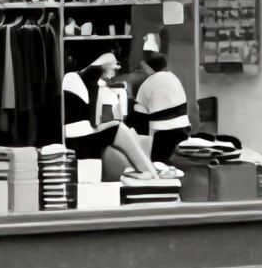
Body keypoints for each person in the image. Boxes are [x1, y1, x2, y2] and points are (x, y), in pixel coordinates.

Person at [62, 52, 179, 180]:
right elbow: (81, 126)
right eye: (114, 64)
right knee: (119, 129)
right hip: (74, 139)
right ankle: (151, 172)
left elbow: (93, 122)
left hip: (82, 134)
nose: (116, 68)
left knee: (121, 128)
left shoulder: (92, 83)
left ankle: (148, 170)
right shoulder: (74, 79)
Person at [131, 51, 191, 165]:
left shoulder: (147, 84)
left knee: (157, 164)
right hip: (183, 129)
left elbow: (139, 116)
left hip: (162, 135)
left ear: (148, 68)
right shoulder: (174, 78)